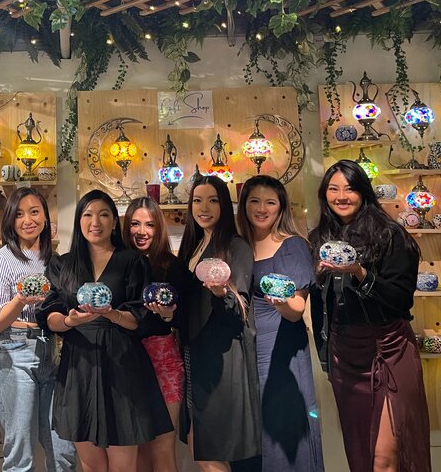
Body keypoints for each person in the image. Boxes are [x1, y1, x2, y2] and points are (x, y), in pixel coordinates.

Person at [36, 189, 173, 472]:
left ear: (114, 222)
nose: (95, 222)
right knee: (91, 464)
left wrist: (110, 313)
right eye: (87, 215)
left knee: (123, 464)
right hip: (78, 366)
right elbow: (49, 316)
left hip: (123, 365)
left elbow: (140, 320)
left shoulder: (133, 262)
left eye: (103, 215)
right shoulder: (61, 263)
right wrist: (70, 322)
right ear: (79, 221)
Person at [309, 160, 431, 472]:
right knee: (360, 451)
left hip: (388, 350)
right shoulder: (319, 237)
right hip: (345, 355)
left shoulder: (391, 235)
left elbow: (401, 300)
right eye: (333, 189)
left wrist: (360, 273)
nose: (341, 196)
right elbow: (321, 307)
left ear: (363, 192)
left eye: (349, 188)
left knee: (385, 458)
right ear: (325, 195)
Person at [0, 187, 77, 472]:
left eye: (34, 212)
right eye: (19, 214)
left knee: (63, 450)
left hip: (54, 352)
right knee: (21, 452)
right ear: (10, 220)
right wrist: (20, 299)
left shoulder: (55, 260)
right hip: (13, 352)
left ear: (46, 218)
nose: (28, 220)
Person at [172, 174, 261, 472]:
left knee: (211, 450)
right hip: (193, 356)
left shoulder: (236, 247)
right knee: (200, 445)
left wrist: (223, 294)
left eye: (212, 200)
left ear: (224, 205)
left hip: (222, 358)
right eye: (197, 200)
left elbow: (240, 309)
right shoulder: (193, 246)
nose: (204, 207)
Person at [236, 176, 324, 472]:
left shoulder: (292, 246)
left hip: (281, 353)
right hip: (246, 353)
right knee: (251, 437)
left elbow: (297, 309)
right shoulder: (239, 246)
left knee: (283, 435)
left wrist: (282, 302)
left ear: (281, 207)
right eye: (254, 201)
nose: (262, 208)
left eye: (270, 202)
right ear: (244, 205)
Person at [121, 197, 184, 472]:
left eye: (149, 225)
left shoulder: (171, 265)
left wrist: (169, 314)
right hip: (126, 362)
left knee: (162, 447)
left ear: (159, 229)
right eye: (135, 224)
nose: (141, 231)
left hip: (163, 360)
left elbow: (189, 314)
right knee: (137, 450)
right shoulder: (117, 264)